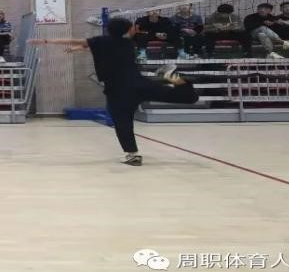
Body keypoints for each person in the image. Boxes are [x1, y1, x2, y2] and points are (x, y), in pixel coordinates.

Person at [29, 18, 199, 166]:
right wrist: (78, 49)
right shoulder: (128, 44)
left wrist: (47, 41)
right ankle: (175, 78)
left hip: (118, 91)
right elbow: (96, 46)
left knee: (123, 123)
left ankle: (132, 154)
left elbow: (76, 41)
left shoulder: (100, 42)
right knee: (189, 97)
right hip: (140, 84)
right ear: (126, 30)